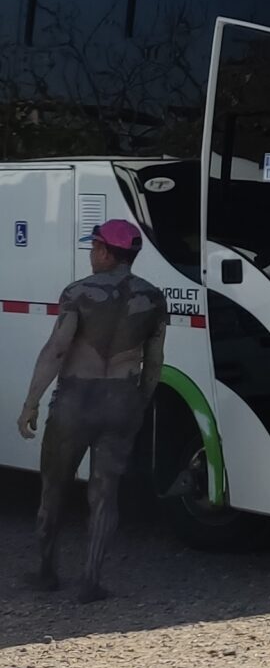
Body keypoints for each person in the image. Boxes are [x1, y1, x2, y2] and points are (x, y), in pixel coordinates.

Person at [17, 220, 168, 600]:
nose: (90, 254)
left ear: (104, 251)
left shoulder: (78, 292)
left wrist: (31, 402)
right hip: (122, 399)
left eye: (93, 247)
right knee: (105, 492)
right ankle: (91, 580)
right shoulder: (153, 298)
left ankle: (47, 571)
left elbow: (56, 350)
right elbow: (154, 362)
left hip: (75, 401)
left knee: (53, 485)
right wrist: (142, 400)